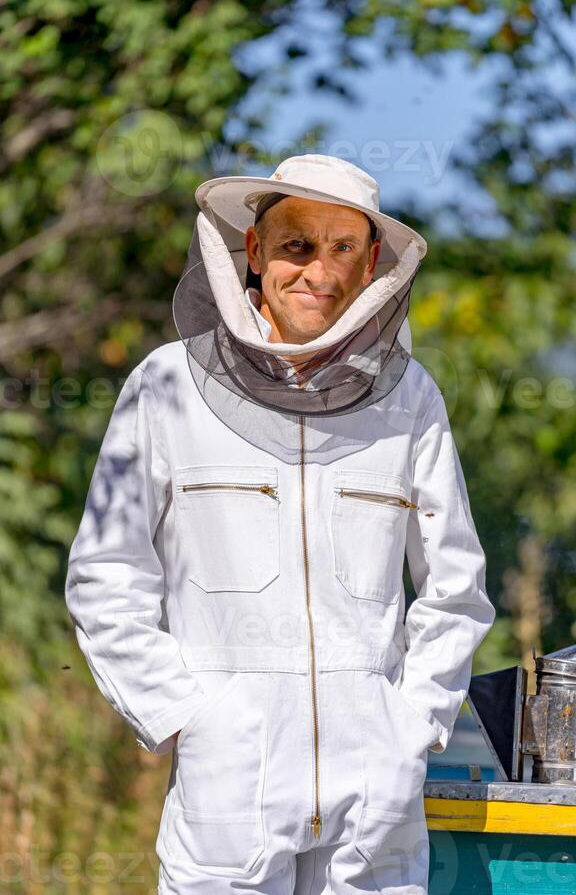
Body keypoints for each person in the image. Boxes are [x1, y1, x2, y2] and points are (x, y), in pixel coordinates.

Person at [65, 153, 496, 894]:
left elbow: (455, 585)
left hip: (376, 789)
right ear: (255, 253)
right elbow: (107, 575)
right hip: (229, 783)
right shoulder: (168, 386)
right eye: (297, 245)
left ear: (371, 267)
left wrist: (411, 724)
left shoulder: (409, 399)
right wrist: (187, 718)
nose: (318, 272)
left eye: (342, 249)